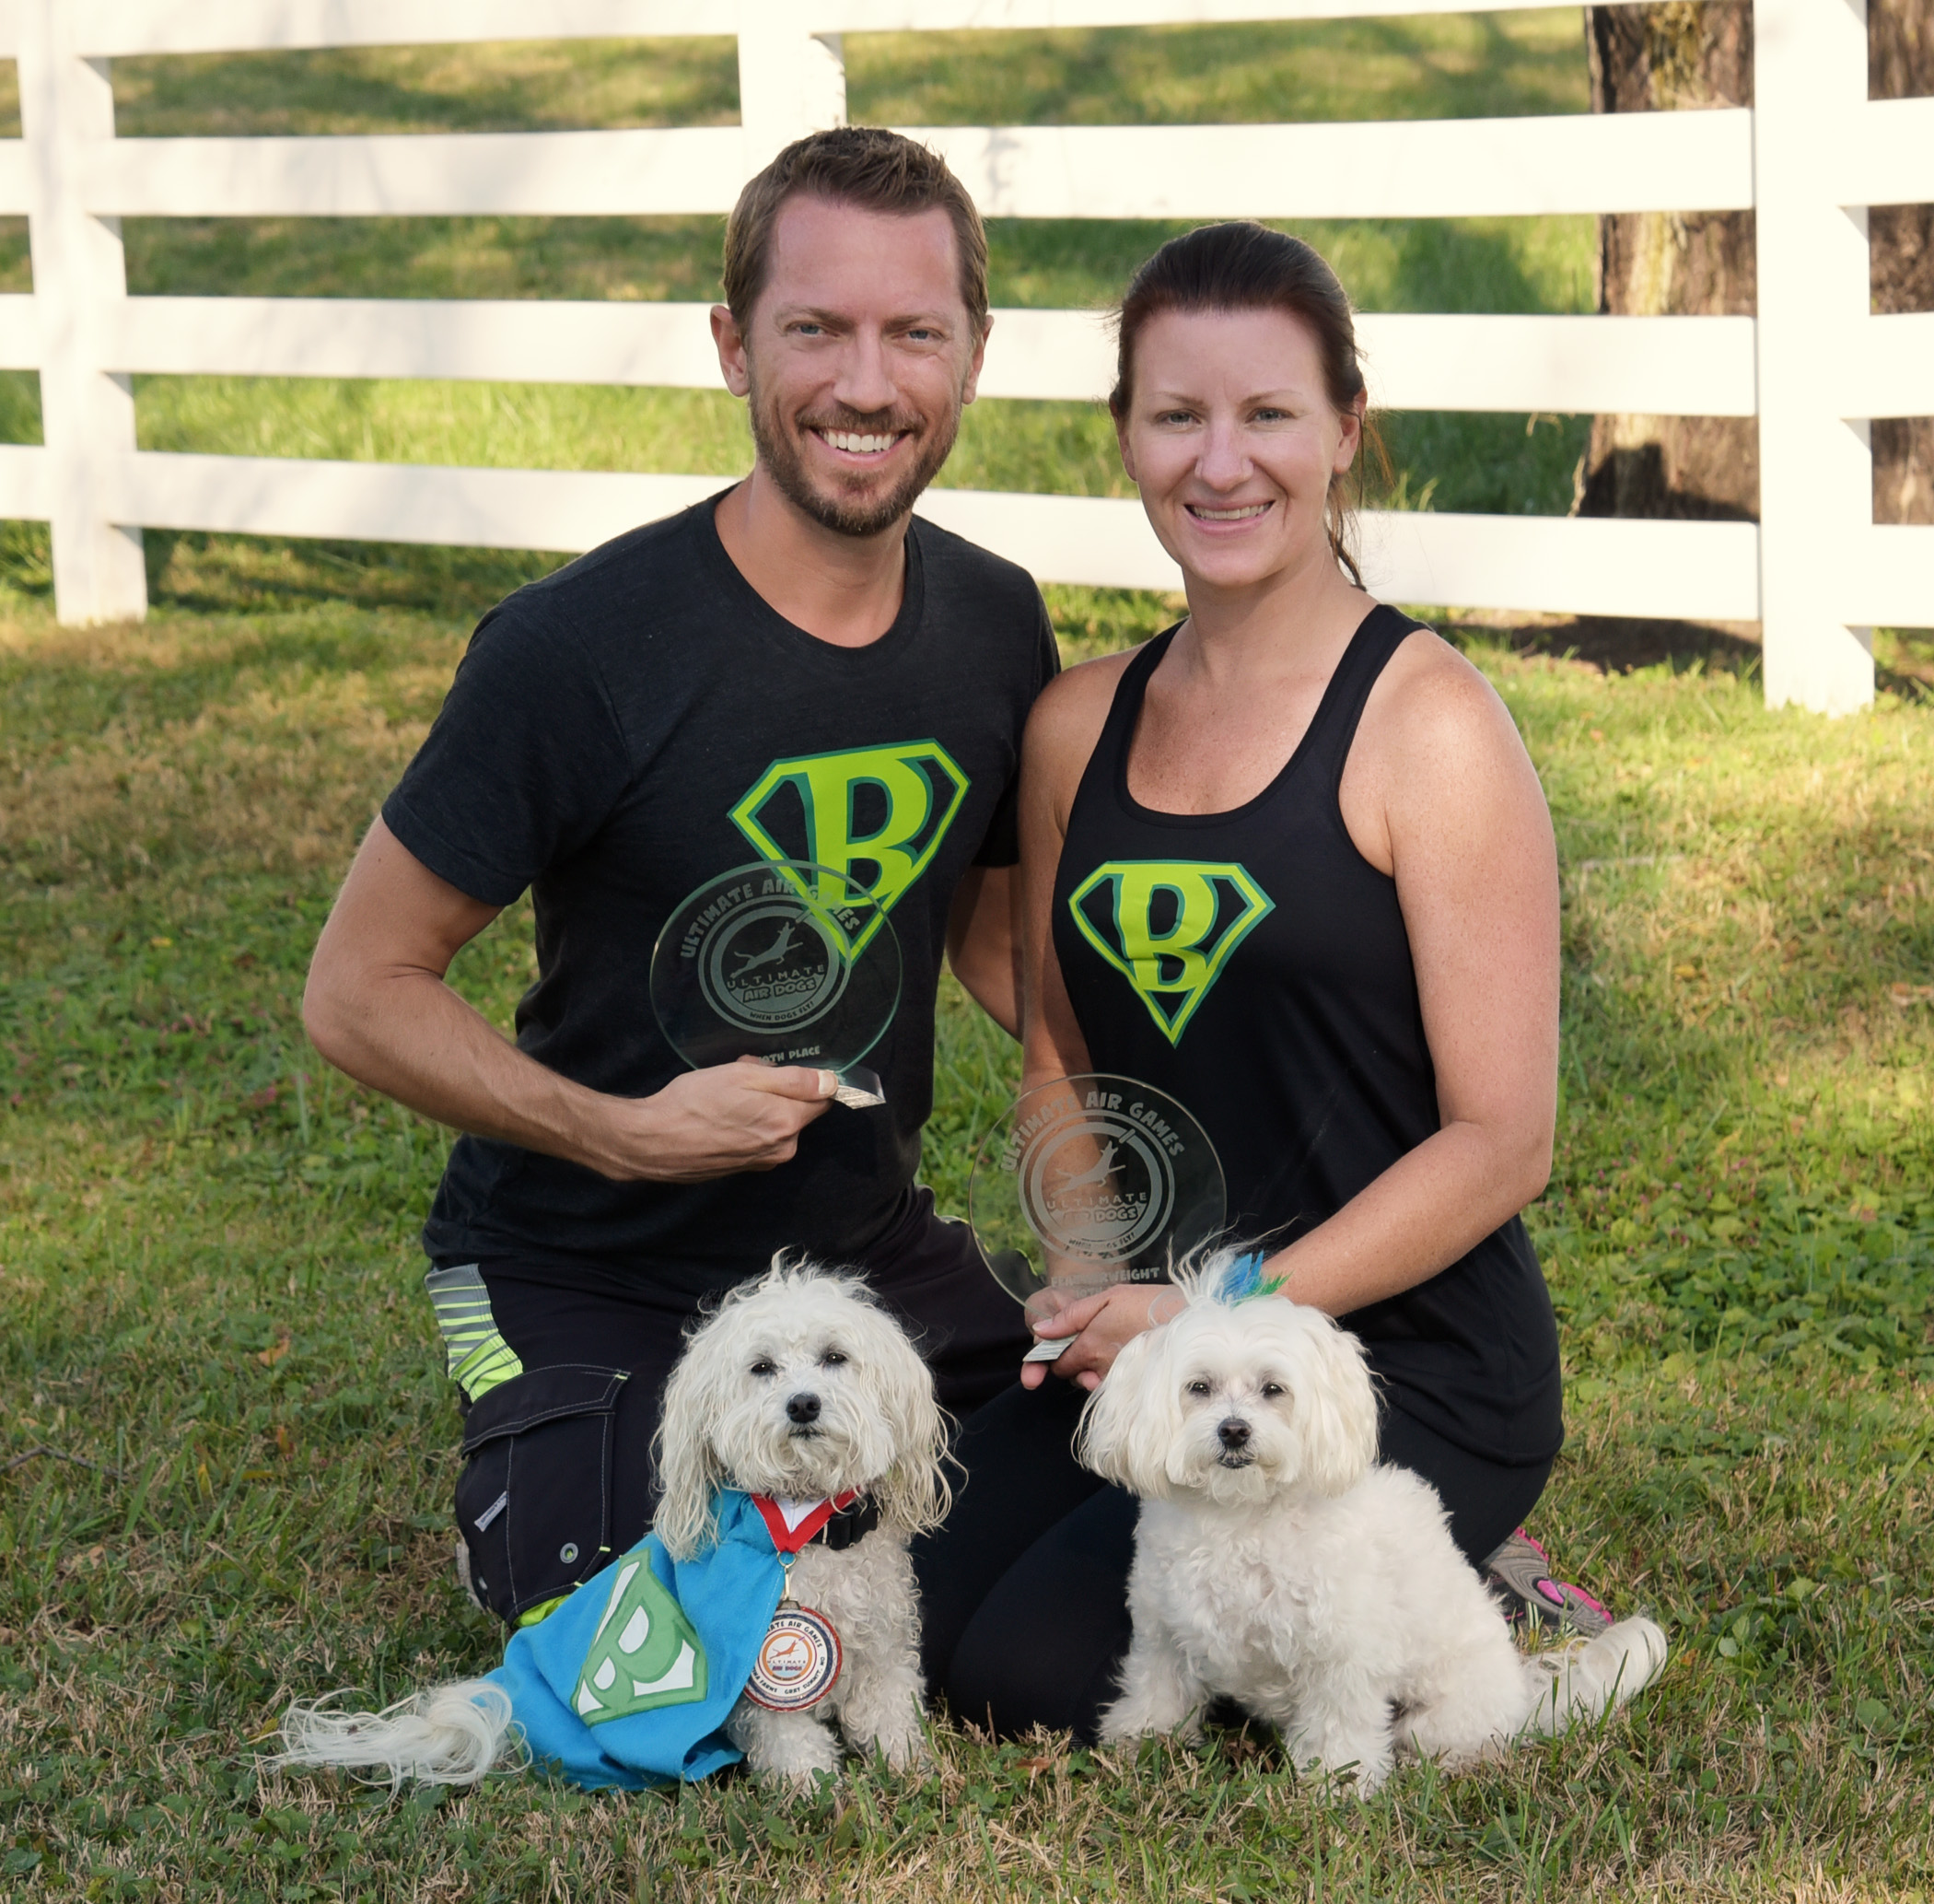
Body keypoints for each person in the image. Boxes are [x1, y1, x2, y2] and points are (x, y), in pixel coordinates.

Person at [302, 128, 1055, 1630]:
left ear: (974, 353)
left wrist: (1181, 1110)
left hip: (855, 1259)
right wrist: (624, 1134)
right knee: (643, 1640)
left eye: (914, 332)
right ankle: (538, 1491)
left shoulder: (992, 623)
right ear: (731, 346)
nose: (866, 383)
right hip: (576, 1254)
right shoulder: (575, 652)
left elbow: (991, 934)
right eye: (814, 329)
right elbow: (356, 990)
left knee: (1102, 1502)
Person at [915, 222, 1610, 1742]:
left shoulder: (1428, 728)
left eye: (1269, 415)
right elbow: (1060, 1056)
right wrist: (1101, 1288)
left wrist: (1211, 1310)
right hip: (1169, 1339)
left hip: (1399, 1360)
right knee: (925, 1608)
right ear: (1128, 438)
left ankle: (1461, 1601)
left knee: (1034, 1676)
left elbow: (1505, 1140)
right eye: (1179, 416)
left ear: (1345, 430)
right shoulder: (1077, 727)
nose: (1222, 465)